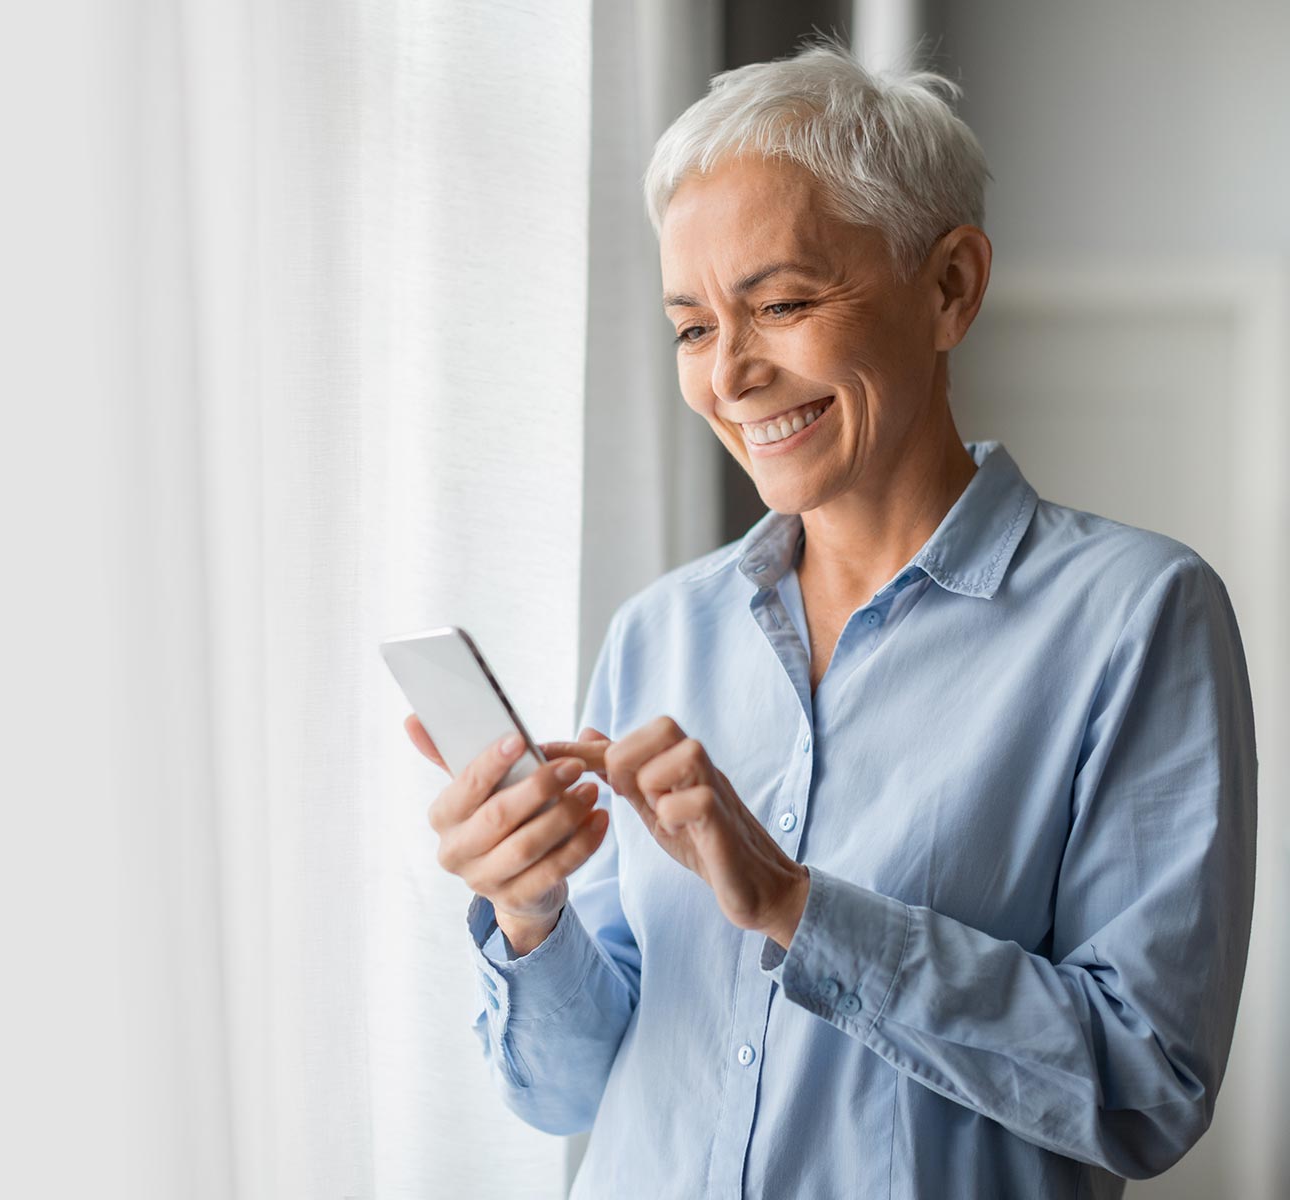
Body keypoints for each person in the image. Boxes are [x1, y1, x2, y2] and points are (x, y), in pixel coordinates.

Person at [404, 40, 1257, 1198]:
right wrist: (529, 912)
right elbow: (567, 1093)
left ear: (949, 286)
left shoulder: (1138, 619)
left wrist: (799, 909)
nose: (731, 375)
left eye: (783, 304)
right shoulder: (659, 634)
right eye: (693, 328)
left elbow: (1146, 1088)